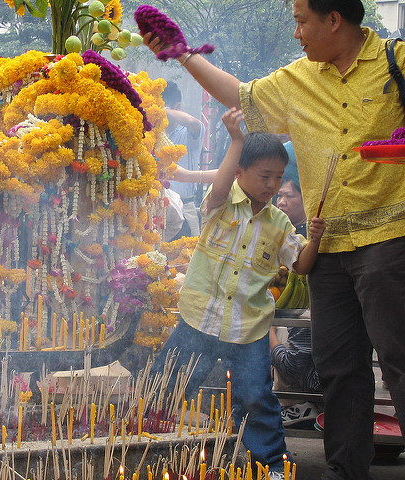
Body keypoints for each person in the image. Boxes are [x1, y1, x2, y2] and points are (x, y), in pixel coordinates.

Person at [144, 1, 405, 479]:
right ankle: (346, 470)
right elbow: (238, 94)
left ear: (334, 19)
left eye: (303, 21)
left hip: (389, 240)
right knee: (340, 369)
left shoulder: (396, 60)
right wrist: (182, 53)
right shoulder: (298, 79)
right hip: (328, 252)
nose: (298, 32)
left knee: (399, 359)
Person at [152, 107, 326, 478]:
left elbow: (303, 266)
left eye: (278, 178)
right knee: (167, 385)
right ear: (239, 173)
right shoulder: (219, 205)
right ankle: (147, 444)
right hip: (198, 321)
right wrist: (236, 140)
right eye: (264, 176)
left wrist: (316, 238)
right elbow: (219, 183)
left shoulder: (280, 224)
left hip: (248, 331)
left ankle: (272, 466)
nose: (272, 185)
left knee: (257, 399)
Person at [270, 142, 321, 428]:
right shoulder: (281, 228)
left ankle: (298, 404)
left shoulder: (303, 237)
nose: (281, 202)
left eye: (288, 196)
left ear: (305, 199)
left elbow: (301, 267)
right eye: (279, 197)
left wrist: (270, 333)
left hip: (299, 328)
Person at [162, 81, 207, 237]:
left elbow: (191, 122)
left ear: (178, 107)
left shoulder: (188, 133)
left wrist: (163, 110)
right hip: (159, 210)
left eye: (167, 110)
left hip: (185, 209)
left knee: (186, 258)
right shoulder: (153, 134)